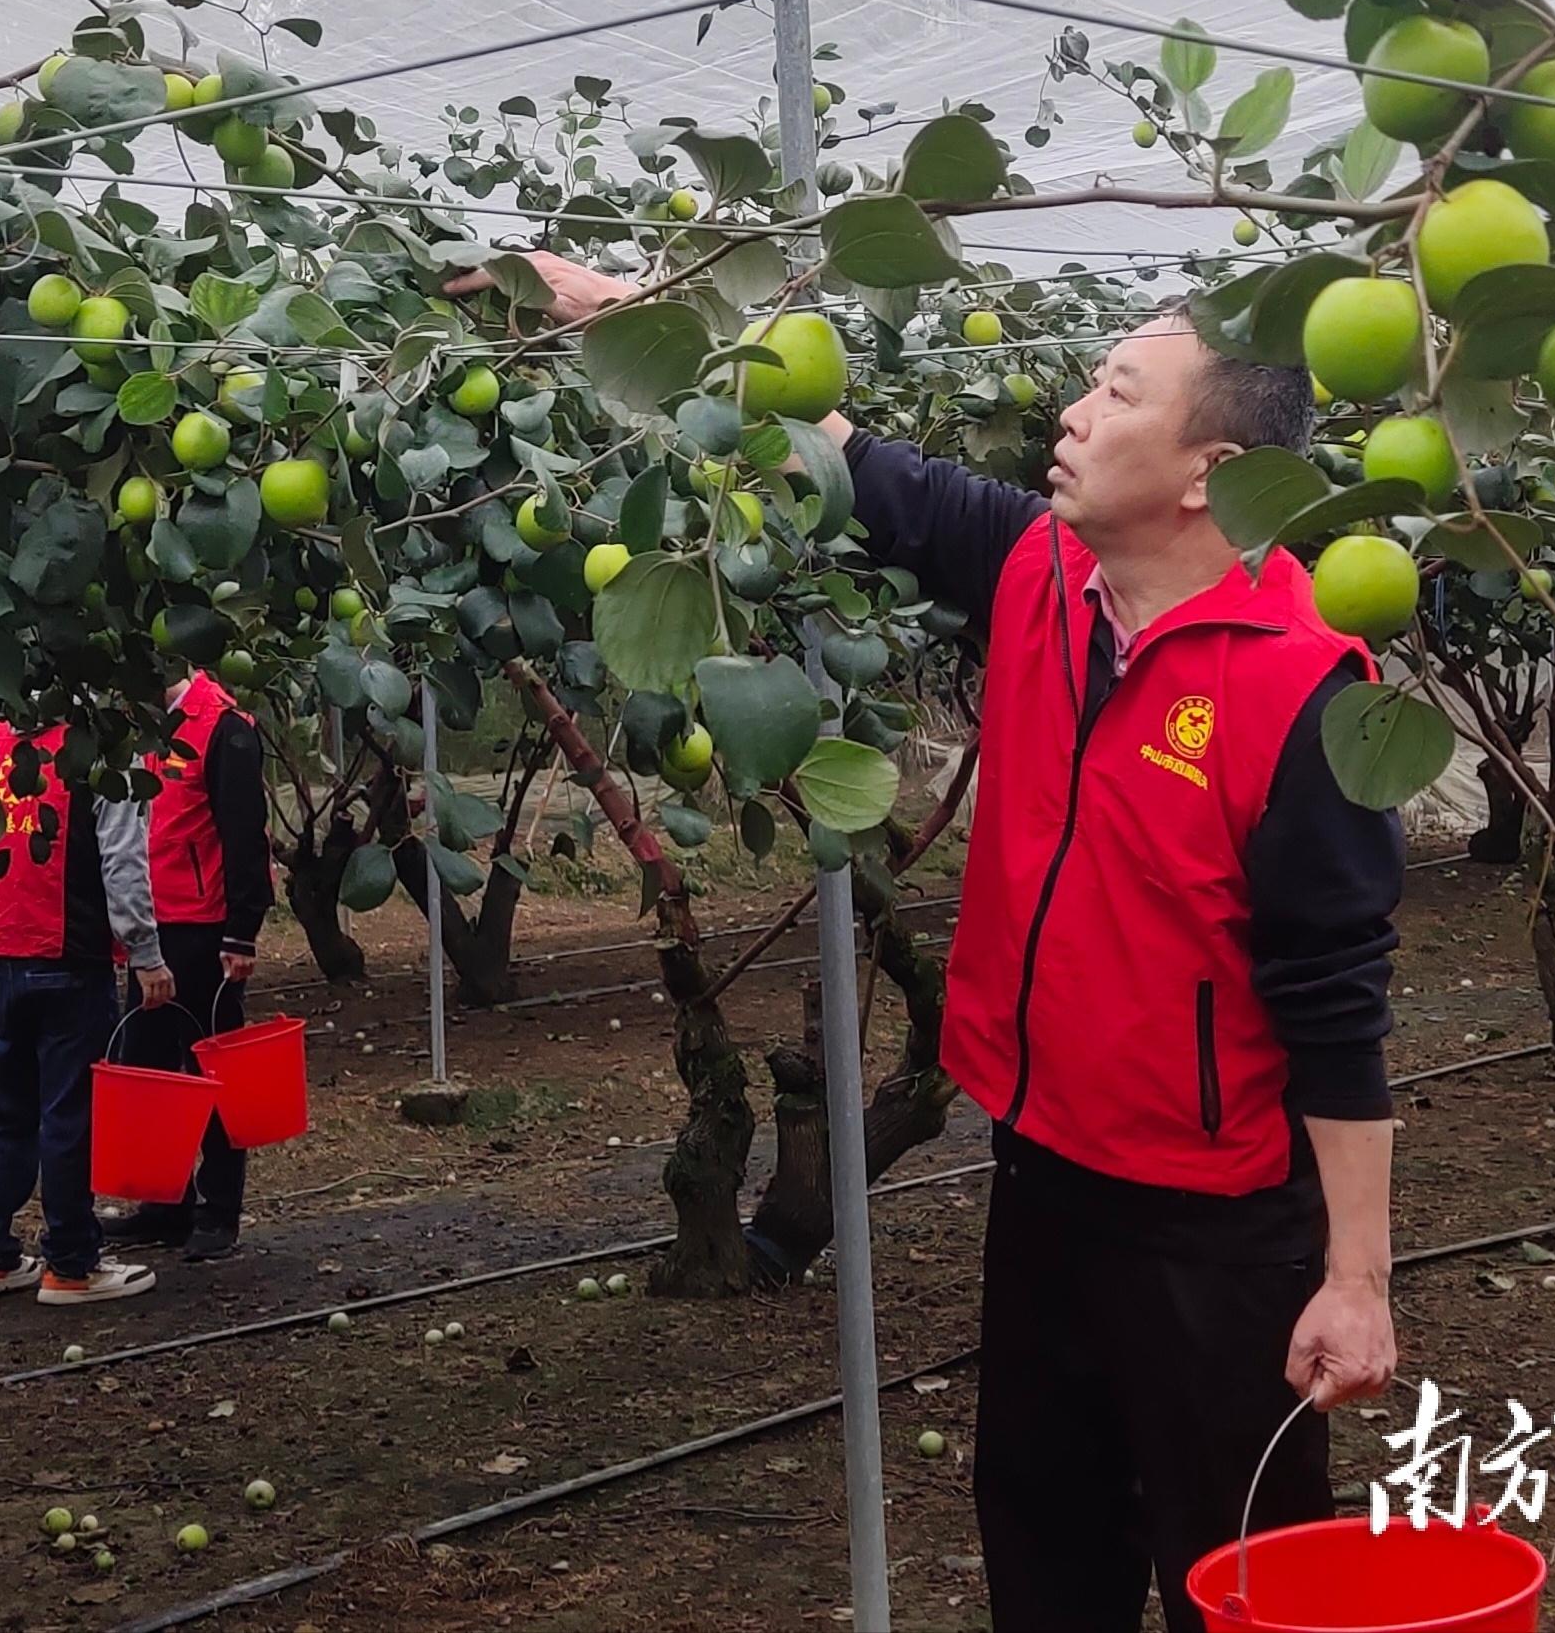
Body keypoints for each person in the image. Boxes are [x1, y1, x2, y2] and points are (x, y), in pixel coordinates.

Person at [447, 255, 1403, 1633]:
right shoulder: (1039, 572)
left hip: (1217, 1219)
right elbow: (842, 445)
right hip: (1044, 1168)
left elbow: (1335, 1001)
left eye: (1115, 390)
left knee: (1237, 1577)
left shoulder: (1307, 685)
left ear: (1209, 469)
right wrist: (624, 303)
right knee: (1044, 1536)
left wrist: (1354, 1278)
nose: (1072, 412)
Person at [0, 720, 175, 1304]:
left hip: (0, 952)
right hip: (68, 955)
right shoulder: (98, 745)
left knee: (7, 1112)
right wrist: (145, 951)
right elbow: (122, 858)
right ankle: (71, 1264)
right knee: (69, 1115)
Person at [101, 665, 273, 1263]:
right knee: (149, 1066)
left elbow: (246, 833)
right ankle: (163, 1203)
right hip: (149, 925)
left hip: (204, 925)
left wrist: (242, 932)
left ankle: (218, 1207)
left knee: (212, 1064)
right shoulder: (139, 727)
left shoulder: (225, 728)